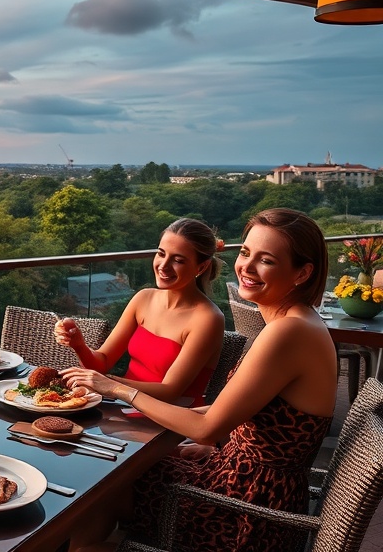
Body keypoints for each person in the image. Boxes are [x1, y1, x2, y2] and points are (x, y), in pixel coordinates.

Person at [63, 208, 337, 551]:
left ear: (303, 272)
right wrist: (220, 444)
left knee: (96, 495)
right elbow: (237, 414)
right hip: (240, 475)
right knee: (108, 482)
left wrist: (116, 388)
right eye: (245, 253)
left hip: (246, 507)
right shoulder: (296, 322)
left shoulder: (289, 331)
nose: (247, 268)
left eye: (265, 260)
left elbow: (207, 424)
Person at [55, 218, 225, 406]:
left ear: (201, 267)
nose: (163, 265)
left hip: (173, 417)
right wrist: (79, 344)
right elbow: (101, 362)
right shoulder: (144, 299)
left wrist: (108, 384)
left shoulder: (208, 319)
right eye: (161, 254)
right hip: (124, 406)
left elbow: (171, 391)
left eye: (178, 260)